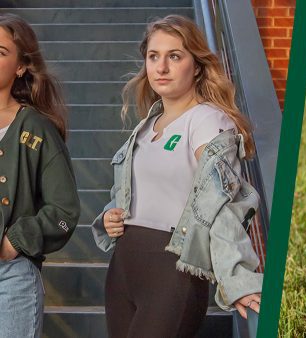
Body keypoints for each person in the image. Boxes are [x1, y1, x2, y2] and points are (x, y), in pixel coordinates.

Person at [91, 15, 263, 337]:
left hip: (171, 272)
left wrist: (237, 274)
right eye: (153, 56)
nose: (161, 67)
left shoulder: (208, 122)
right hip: (123, 268)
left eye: (175, 56)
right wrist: (109, 217)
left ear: (196, 66)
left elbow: (224, 204)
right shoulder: (145, 128)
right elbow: (134, 194)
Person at [0, 13, 81, 338]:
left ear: (21, 66)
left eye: (1, 51)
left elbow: (63, 211)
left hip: (10, 278)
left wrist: (13, 243)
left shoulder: (36, 129)